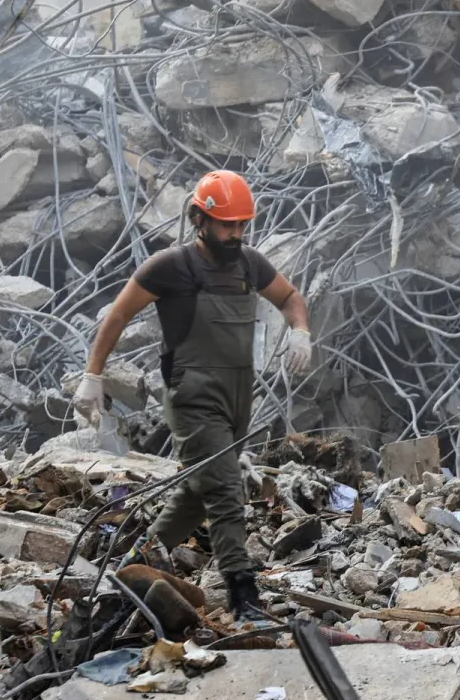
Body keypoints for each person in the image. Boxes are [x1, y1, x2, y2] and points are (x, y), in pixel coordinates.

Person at [72, 170, 312, 620]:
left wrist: (300, 330)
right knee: (224, 490)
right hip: (192, 396)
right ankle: (244, 599)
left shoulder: (249, 264)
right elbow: (118, 316)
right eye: (227, 225)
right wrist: (93, 376)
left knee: (198, 492)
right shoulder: (171, 267)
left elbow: (289, 296)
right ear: (200, 219)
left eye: (242, 225)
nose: (236, 234)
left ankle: (135, 569)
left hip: (239, 397)